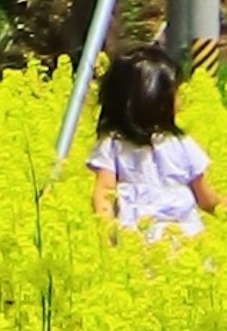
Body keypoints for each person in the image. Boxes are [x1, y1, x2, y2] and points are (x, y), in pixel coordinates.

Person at [92, 46, 220, 244]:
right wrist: (222, 205)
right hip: (174, 240)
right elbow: (207, 199)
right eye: (176, 92)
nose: (181, 100)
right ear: (155, 98)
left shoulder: (181, 143)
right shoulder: (114, 145)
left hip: (149, 240)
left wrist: (108, 230)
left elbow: (103, 194)